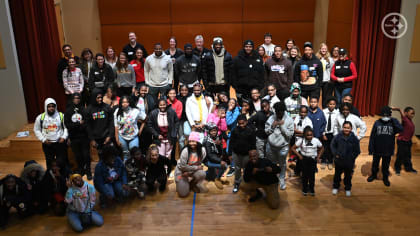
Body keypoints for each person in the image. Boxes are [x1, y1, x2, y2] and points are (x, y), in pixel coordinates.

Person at [367, 106, 403, 187]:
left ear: (390, 115)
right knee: (375, 164)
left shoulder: (393, 122)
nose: (385, 117)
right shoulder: (377, 123)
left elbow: (401, 129)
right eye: (384, 115)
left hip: (388, 149)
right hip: (377, 149)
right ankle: (373, 175)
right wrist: (370, 148)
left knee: (385, 165)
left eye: (387, 115)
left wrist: (393, 120)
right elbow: (372, 136)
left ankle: (385, 177)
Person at [265, 101, 294, 190]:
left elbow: (290, 135)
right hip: (271, 146)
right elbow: (266, 131)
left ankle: (281, 180)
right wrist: (273, 126)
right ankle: (274, 179)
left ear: (283, 111)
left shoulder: (289, 120)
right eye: (277, 112)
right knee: (272, 164)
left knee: (282, 164)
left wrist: (281, 126)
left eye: (280, 112)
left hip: (283, 147)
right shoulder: (270, 119)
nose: (278, 113)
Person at [34, 98, 68, 169]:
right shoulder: (40, 117)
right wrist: (43, 140)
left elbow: (66, 128)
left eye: (53, 106)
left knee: (62, 162)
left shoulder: (61, 116)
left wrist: (64, 137)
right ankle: (51, 178)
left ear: (55, 106)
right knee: (49, 163)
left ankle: (63, 177)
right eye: (49, 106)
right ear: (46, 107)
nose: (51, 108)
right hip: (47, 144)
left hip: (59, 143)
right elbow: (36, 130)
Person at [147, 98, 179, 173]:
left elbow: (176, 122)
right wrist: (156, 135)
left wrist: (174, 133)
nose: (162, 106)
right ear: (158, 105)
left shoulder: (171, 112)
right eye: (160, 105)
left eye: (164, 104)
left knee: (168, 154)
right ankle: (162, 170)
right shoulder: (153, 113)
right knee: (161, 154)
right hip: (159, 138)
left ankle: (168, 169)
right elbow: (149, 125)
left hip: (169, 137)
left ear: (166, 104)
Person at [65, 93, 92, 179]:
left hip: (84, 136)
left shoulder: (84, 110)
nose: (77, 100)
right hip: (74, 137)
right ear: (72, 99)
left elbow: (87, 123)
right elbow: (68, 125)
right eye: (75, 98)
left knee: (86, 155)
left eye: (78, 98)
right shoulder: (68, 111)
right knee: (78, 155)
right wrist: (78, 124)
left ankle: (88, 171)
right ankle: (81, 170)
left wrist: (77, 126)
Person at [331, 121, 361, 197]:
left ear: (351, 129)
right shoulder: (338, 137)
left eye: (348, 128)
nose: (346, 129)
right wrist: (336, 154)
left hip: (349, 162)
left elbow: (357, 150)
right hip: (339, 161)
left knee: (348, 176)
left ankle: (347, 188)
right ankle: (336, 186)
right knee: (337, 175)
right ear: (342, 128)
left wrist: (352, 157)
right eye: (345, 127)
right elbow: (332, 145)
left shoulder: (354, 139)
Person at [292, 126, 324, 196]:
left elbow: (322, 148)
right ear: (304, 135)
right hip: (304, 160)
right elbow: (293, 148)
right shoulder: (301, 140)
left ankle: (312, 188)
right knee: (304, 175)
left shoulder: (316, 140)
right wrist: (299, 155)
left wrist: (318, 157)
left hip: (312, 160)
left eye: (311, 135)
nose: (309, 137)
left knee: (312, 175)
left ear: (313, 135)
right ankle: (305, 188)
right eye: (307, 135)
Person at [229, 115, 256, 193]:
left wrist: (253, 155)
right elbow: (231, 142)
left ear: (246, 122)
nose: (241, 125)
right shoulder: (234, 131)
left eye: (243, 123)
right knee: (237, 169)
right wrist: (230, 153)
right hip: (236, 154)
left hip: (247, 154)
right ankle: (237, 183)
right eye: (239, 124)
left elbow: (253, 144)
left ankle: (246, 183)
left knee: (246, 170)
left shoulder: (251, 131)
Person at [175, 132, 208, 197]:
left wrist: (190, 171)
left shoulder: (202, 150)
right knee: (183, 194)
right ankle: (182, 183)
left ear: (198, 142)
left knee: (202, 174)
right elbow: (183, 167)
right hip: (182, 171)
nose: (191, 143)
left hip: (191, 170)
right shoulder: (185, 150)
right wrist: (194, 169)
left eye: (193, 141)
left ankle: (192, 184)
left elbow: (199, 164)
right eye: (190, 141)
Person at [114, 96, 146, 162]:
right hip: (122, 137)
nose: (125, 104)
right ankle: (126, 170)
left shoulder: (135, 111)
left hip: (133, 137)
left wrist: (140, 130)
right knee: (125, 154)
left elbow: (145, 118)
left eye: (126, 102)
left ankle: (135, 170)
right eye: (123, 102)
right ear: (120, 103)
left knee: (135, 155)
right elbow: (116, 126)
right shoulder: (117, 111)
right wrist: (117, 139)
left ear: (129, 103)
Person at [85, 88, 115, 159]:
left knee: (110, 156)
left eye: (101, 97)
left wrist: (110, 136)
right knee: (101, 157)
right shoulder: (89, 110)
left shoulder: (107, 108)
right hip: (96, 139)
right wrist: (92, 139)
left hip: (106, 137)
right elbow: (88, 126)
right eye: (98, 98)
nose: (100, 99)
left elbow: (111, 123)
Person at [203, 123, 229, 189]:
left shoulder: (217, 138)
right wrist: (220, 161)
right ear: (209, 132)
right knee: (224, 166)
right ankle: (217, 179)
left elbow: (221, 151)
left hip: (214, 158)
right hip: (207, 160)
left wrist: (219, 145)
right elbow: (210, 156)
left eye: (215, 130)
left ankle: (208, 174)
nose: (214, 132)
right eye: (212, 131)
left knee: (211, 174)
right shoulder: (207, 141)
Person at [394, 106, 417, 174]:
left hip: (408, 141)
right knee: (400, 155)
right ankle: (397, 169)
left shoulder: (410, 120)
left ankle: (409, 168)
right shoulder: (405, 119)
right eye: (411, 113)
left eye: (413, 113)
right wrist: (398, 109)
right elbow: (401, 113)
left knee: (408, 156)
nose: (413, 115)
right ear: (406, 113)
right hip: (402, 141)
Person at [321, 96, 340, 169]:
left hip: (333, 133)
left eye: (333, 104)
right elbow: (322, 123)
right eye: (330, 104)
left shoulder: (337, 113)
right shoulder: (324, 112)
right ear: (327, 104)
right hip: (325, 133)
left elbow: (337, 125)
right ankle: (323, 161)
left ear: (335, 105)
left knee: (331, 148)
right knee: (324, 147)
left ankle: (330, 161)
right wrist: (323, 134)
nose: (332, 105)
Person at [315, 43, 335, 108]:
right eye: (322, 48)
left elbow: (332, 70)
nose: (324, 50)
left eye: (325, 49)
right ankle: (315, 109)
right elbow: (314, 67)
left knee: (325, 97)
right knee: (316, 96)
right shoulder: (316, 58)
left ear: (327, 50)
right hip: (318, 80)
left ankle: (324, 109)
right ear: (320, 49)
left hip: (326, 80)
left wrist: (331, 79)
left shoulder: (330, 59)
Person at [177, 85, 190, 150]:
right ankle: (182, 153)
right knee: (181, 138)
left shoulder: (190, 98)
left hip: (188, 120)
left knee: (188, 135)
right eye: (182, 90)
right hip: (180, 120)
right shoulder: (177, 98)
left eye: (185, 90)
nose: (184, 92)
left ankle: (188, 152)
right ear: (180, 91)